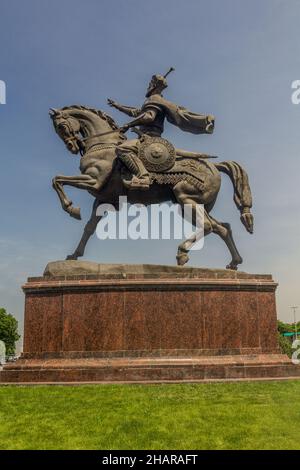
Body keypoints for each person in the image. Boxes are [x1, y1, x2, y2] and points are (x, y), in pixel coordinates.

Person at [108, 68, 214, 190]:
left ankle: (143, 177)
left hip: (150, 138)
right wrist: (118, 106)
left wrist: (128, 125)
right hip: (147, 138)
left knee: (122, 148)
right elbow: (136, 112)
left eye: (149, 84)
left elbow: (149, 117)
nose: (148, 86)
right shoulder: (155, 100)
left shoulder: (154, 99)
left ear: (153, 85)